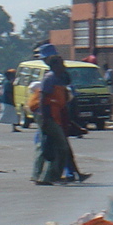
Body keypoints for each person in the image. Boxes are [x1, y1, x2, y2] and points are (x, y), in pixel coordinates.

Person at [32, 49, 90, 185]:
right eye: (61, 64)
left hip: (54, 116)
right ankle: (51, 176)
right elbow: (43, 98)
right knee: (61, 147)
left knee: (49, 146)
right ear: (55, 66)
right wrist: (46, 119)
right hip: (47, 116)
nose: (64, 66)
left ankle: (43, 177)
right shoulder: (49, 78)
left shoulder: (58, 78)